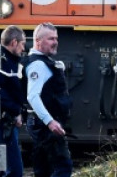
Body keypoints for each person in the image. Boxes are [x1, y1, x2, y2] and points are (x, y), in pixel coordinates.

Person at [23, 22, 73, 177]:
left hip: (39, 123)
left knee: (43, 168)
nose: (55, 42)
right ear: (38, 41)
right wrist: (50, 122)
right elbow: (32, 96)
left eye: (56, 38)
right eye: (51, 39)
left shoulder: (40, 62)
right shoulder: (38, 64)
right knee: (63, 167)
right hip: (44, 125)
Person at [0, 26, 27, 177]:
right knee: (13, 171)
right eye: (22, 44)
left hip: (8, 121)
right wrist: (16, 111)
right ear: (14, 42)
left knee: (3, 169)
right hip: (1, 122)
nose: (23, 48)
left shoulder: (11, 61)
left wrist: (20, 111)